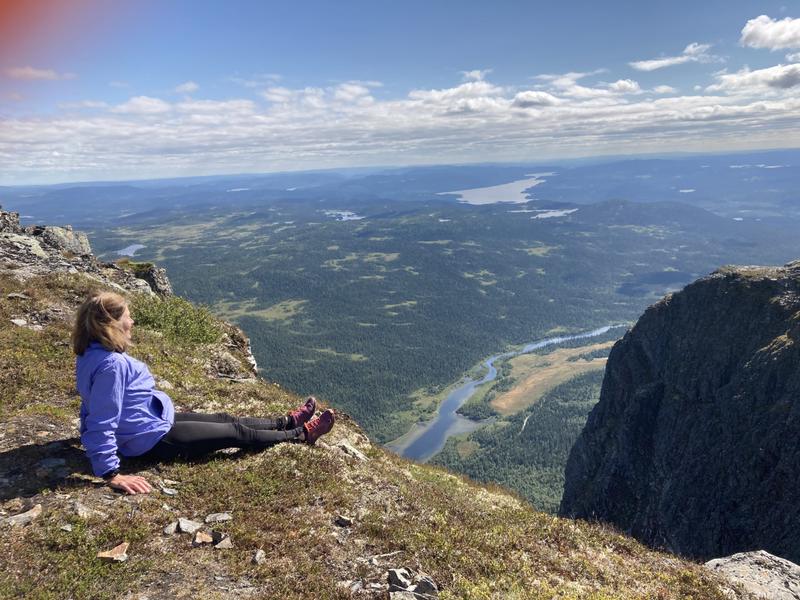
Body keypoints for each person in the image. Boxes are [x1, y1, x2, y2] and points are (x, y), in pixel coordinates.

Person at [72, 291, 335, 495]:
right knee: (236, 434)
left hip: (149, 421)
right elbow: (101, 418)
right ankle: (301, 435)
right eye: (127, 316)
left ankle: (286, 421)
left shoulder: (94, 352)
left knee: (225, 419)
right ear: (112, 324)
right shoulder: (111, 365)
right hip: (151, 440)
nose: (132, 321)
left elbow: (94, 403)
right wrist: (110, 473)